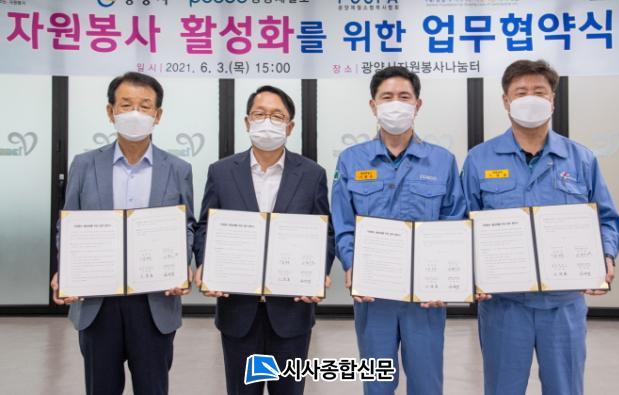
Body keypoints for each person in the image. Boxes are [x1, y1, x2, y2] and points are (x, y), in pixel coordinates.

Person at [461, 59, 619, 395]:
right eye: (521, 92)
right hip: (503, 305)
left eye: (539, 92)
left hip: (564, 304)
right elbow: (462, 225)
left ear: (552, 100)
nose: (530, 99)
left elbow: (607, 219)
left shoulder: (581, 159)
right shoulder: (479, 159)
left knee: (565, 388)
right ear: (505, 101)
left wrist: (606, 255)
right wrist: (468, 272)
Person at [50, 72, 196, 395]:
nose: (135, 113)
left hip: (155, 300)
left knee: (153, 388)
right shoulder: (84, 165)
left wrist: (182, 263)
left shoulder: (178, 169)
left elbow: (186, 224)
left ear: (158, 115)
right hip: (97, 301)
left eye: (145, 106)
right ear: (110, 111)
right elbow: (69, 223)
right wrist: (66, 269)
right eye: (126, 105)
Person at [331, 66, 466, 394]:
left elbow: (454, 220)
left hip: (426, 296)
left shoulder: (442, 161)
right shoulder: (351, 160)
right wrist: (352, 263)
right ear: (373, 105)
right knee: (376, 382)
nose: (395, 104)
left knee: (426, 383)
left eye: (404, 97)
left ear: (417, 105)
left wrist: (447, 275)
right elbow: (343, 221)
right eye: (387, 97)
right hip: (373, 294)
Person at [193, 85, 335, 395]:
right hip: (237, 309)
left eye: (277, 116)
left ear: (290, 126)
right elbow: (205, 226)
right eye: (259, 114)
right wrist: (205, 264)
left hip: (292, 310)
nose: (267, 122)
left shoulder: (312, 174)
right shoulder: (221, 172)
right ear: (247, 122)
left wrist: (317, 272)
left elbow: (324, 230)